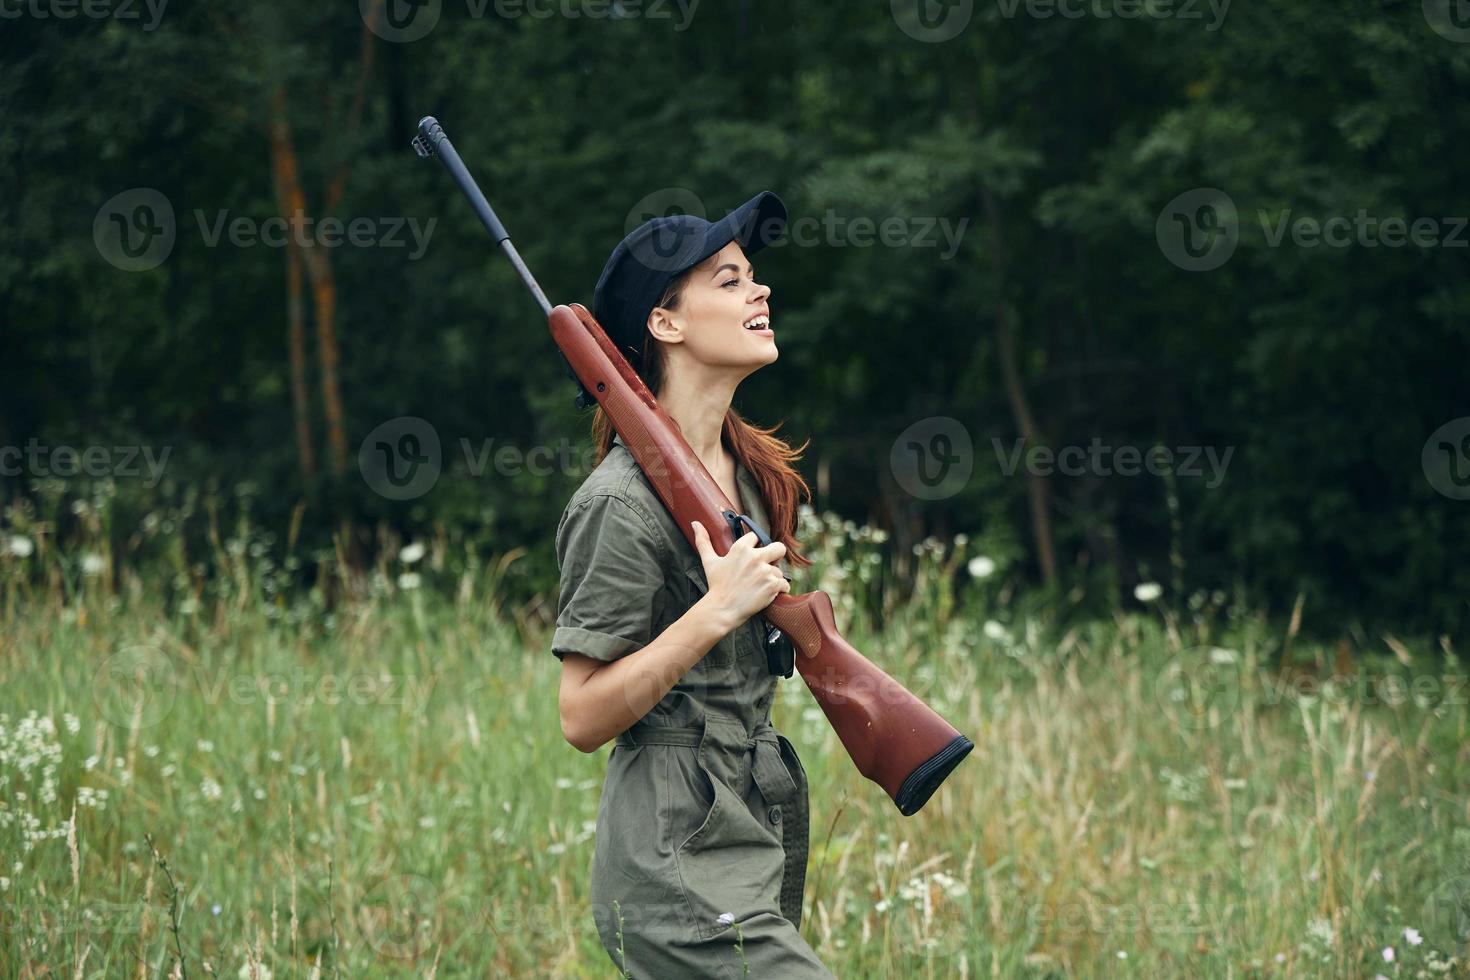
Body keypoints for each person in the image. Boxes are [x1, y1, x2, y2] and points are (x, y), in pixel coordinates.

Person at [551, 191, 836, 977]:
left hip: (746, 824)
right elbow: (580, 715)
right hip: (671, 854)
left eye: (753, 276)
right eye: (729, 280)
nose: (761, 291)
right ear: (665, 322)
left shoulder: (749, 474)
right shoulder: (617, 503)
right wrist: (713, 614)